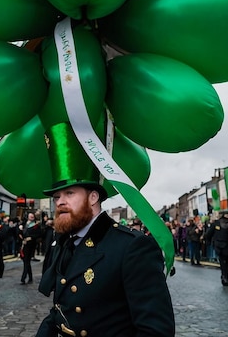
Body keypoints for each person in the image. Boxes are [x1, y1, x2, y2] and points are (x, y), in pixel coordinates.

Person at [37, 129, 174, 336]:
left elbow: (155, 331)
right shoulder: (66, 242)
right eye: (57, 197)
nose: (61, 202)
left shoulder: (132, 246)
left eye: (70, 193)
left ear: (93, 198)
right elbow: (61, 312)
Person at [205, 210, 228, 286]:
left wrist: (209, 242)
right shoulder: (225, 224)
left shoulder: (222, 223)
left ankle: (225, 276)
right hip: (224, 245)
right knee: (226, 262)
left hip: (223, 245)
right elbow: (209, 234)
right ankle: (225, 276)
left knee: (224, 262)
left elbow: (208, 234)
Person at [19, 212, 40, 284]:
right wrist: (20, 230)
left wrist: (31, 238)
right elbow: (19, 233)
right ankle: (30, 277)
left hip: (31, 245)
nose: (31, 217)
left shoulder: (36, 225)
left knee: (26, 261)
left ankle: (23, 278)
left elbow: (38, 234)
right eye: (30, 216)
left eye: (32, 216)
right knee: (26, 261)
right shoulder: (24, 224)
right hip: (24, 244)